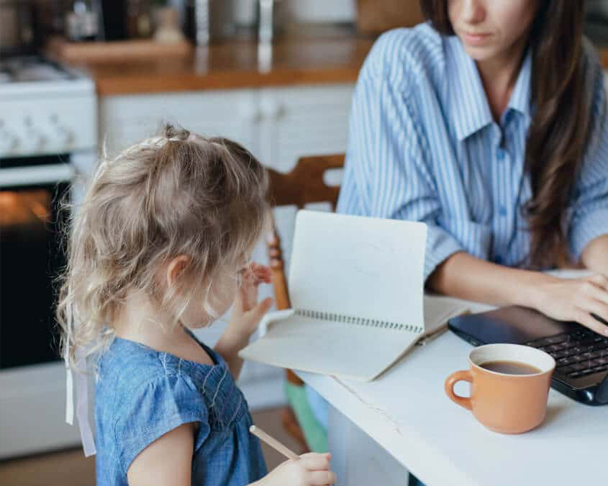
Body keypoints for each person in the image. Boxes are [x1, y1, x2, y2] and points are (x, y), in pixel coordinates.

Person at [310, 0, 608, 483]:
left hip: (509, 332)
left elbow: (594, 202)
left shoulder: (579, 67)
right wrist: (540, 289)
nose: (468, 13)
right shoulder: (401, 63)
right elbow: (412, 248)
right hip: (392, 350)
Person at [57, 125, 337, 486]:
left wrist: (237, 333)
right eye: (235, 266)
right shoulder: (156, 394)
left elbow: (209, 405)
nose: (241, 276)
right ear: (180, 274)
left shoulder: (158, 331)